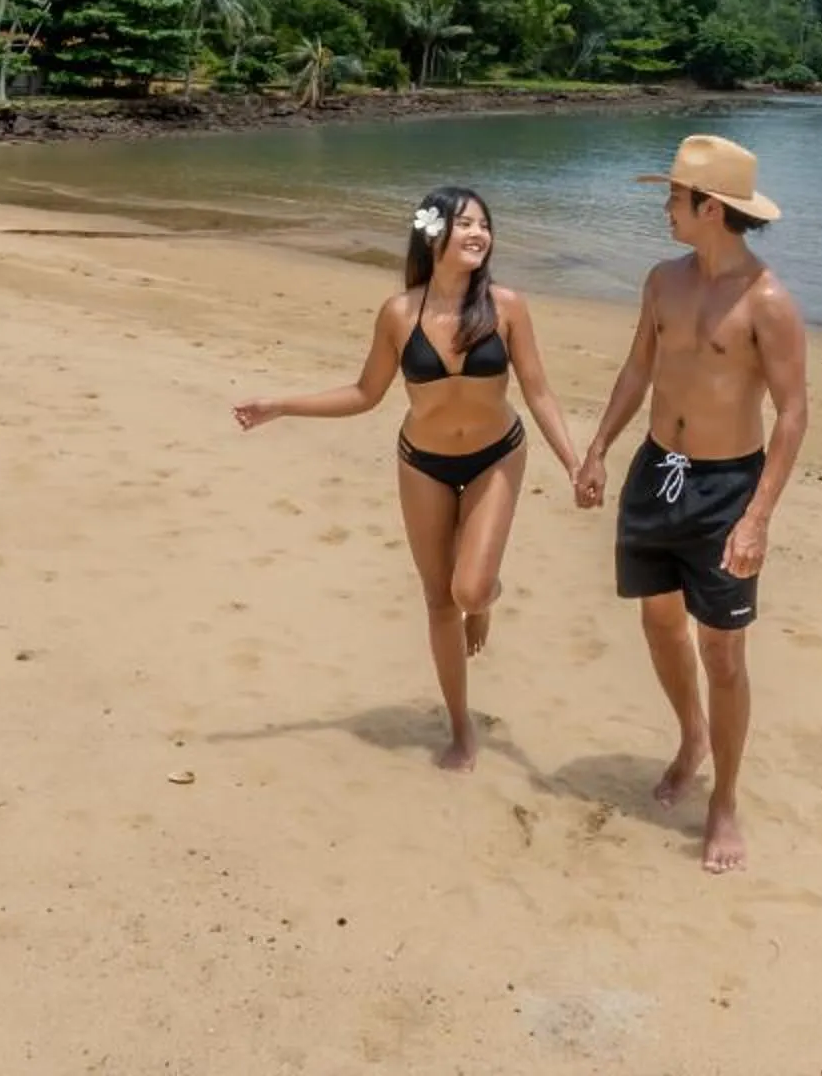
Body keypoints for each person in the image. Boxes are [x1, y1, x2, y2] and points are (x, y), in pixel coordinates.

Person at [231, 186, 583, 772]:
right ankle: (461, 727)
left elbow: (539, 392)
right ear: (432, 234)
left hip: (497, 453)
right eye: (464, 224)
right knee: (438, 598)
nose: (478, 234)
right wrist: (283, 405)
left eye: (483, 225)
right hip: (422, 462)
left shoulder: (508, 306)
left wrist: (574, 462)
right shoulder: (400, 313)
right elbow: (366, 393)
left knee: (469, 590)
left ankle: (488, 596)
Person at [572, 134, 811, 874]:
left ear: (711, 209)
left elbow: (794, 412)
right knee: (657, 622)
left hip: (724, 487)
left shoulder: (767, 302)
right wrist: (598, 448)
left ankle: (725, 799)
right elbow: (639, 368)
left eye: (674, 198)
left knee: (724, 652)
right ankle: (692, 737)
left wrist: (757, 517)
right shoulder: (661, 281)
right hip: (658, 473)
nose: (666, 209)